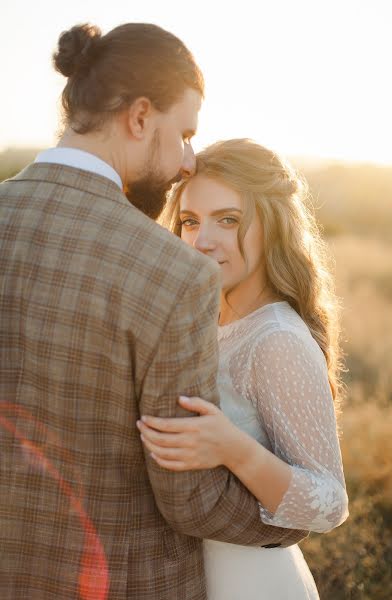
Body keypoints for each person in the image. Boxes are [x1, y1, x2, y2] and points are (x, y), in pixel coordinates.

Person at [0, 25, 308, 600]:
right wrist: (296, 513)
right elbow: (188, 498)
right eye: (185, 133)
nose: (189, 160)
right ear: (140, 117)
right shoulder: (174, 274)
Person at [138, 138, 349, 599]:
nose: (202, 240)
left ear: (272, 227)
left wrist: (232, 449)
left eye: (228, 220)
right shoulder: (204, 321)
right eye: (191, 221)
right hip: (195, 578)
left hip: (253, 583)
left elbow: (329, 503)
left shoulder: (275, 339)